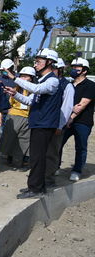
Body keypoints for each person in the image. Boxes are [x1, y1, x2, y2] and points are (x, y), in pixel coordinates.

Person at [3, 48, 61, 199]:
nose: (36, 64)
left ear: (49, 62)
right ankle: (36, 186)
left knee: (37, 157)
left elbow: (36, 89)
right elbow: (30, 100)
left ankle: (35, 189)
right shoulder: (43, 81)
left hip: (44, 125)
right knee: (37, 157)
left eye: (39, 61)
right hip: (38, 123)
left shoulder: (52, 81)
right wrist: (15, 94)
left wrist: (15, 77)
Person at [61, 57, 95, 182]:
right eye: (73, 67)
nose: (74, 69)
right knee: (58, 143)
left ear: (84, 70)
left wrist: (71, 117)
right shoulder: (69, 84)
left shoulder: (91, 85)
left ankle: (77, 170)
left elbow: (81, 105)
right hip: (66, 120)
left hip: (83, 122)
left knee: (80, 147)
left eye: (77, 67)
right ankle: (55, 166)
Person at [44, 58, 74, 189]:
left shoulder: (67, 86)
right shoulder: (46, 82)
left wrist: (60, 125)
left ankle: (49, 180)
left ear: (60, 70)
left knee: (52, 153)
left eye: (54, 68)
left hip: (55, 125)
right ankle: (40, 176)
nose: (51, 71)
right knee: (40, 152)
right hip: (43, 123)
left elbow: (66, 108)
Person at [0, 66, 35, 168]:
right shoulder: (15, 89)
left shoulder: (34, 90)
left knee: (23, 140)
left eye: (25, 76)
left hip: (27, 117)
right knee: (10, 138)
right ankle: (8, 158)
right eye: (21, 76)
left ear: (31, 78)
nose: (23, 78)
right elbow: (10, 104)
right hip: (14, 115)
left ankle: (18, 161)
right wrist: (1, 115)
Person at [0, 58, 16, 138]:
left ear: (11, 68)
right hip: (1, 110)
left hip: (13, 111)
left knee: (11, 133)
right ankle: (1, 149)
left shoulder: (17, 79)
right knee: (1, 132)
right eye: (3, 70)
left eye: (6, 69)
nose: (4, 72)